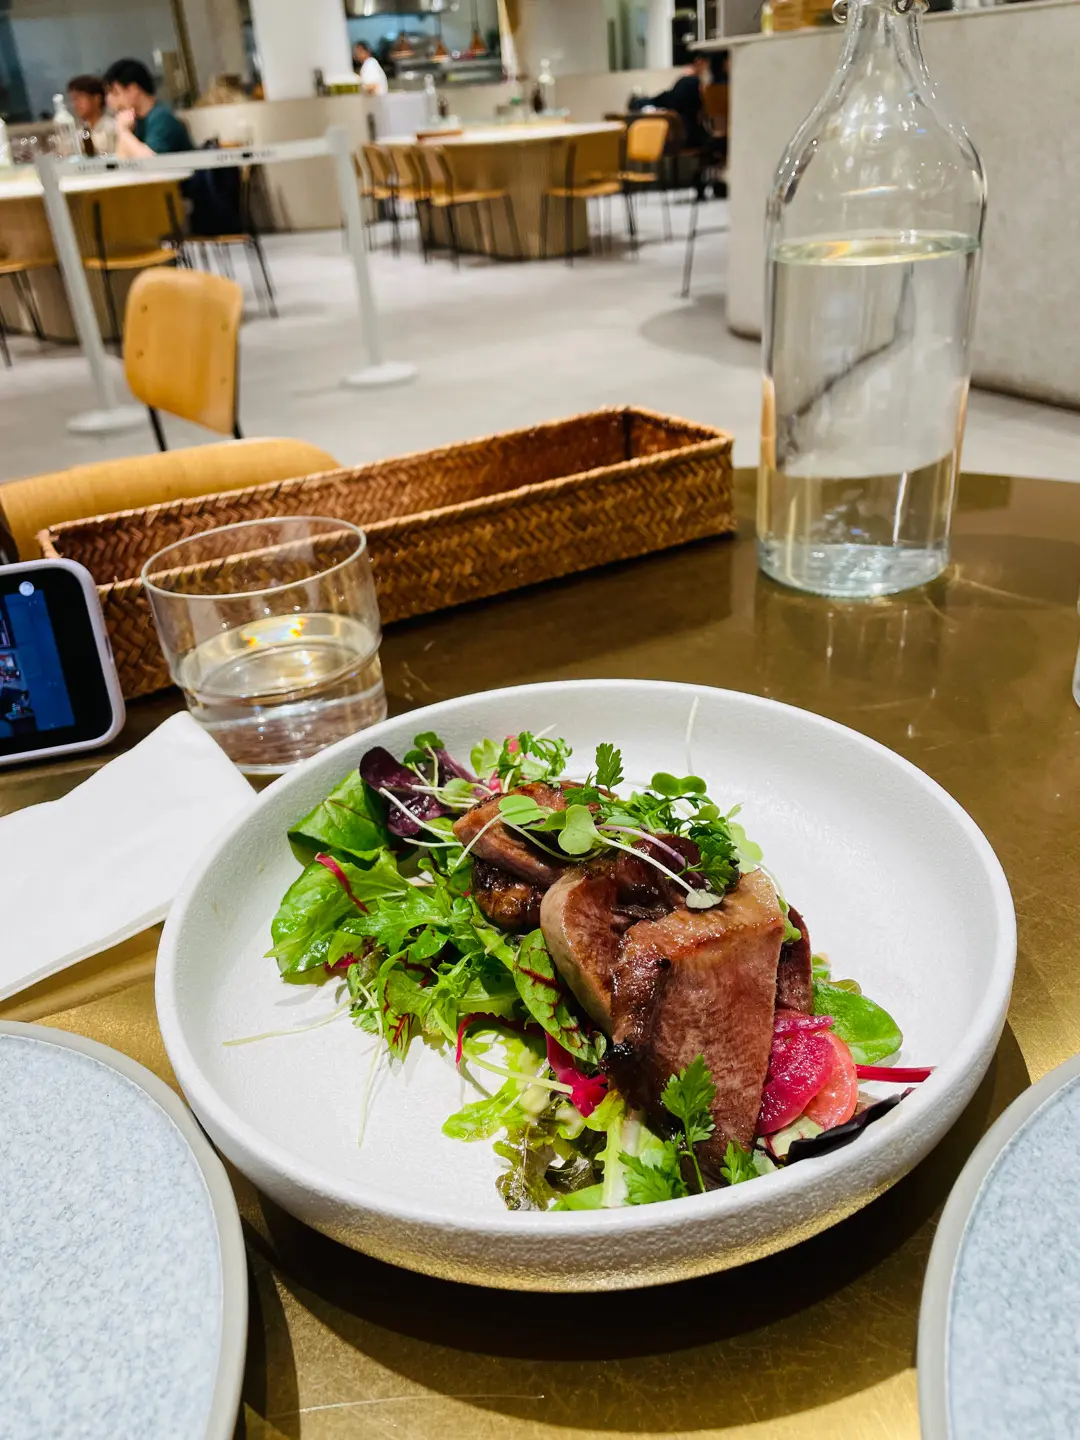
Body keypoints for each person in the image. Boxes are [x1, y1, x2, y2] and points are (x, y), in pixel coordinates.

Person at [102, 58, 192, 157]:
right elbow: (123, 160)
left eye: (116, 93)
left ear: (133, 89)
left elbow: (151, 160)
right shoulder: (133, 121)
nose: (110, 100)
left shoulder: (161, 118)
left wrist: (124, 132)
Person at [67, 74, 116, 154]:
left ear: (97, 98)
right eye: (73, 99)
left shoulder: (112, 128)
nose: (76, 104)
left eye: (80, 97)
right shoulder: (78, 134)